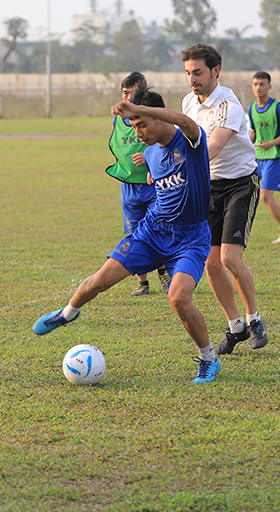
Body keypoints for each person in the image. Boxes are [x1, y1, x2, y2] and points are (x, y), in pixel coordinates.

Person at [33, 80, 221, 384]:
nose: (138, 133)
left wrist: (137, 107)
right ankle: (68, 313)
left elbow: (185, 121)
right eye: (133, 127)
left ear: (159, 118)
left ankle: (208, 359)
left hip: (190, 239)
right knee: (98, 281)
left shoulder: (189, 142)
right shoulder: (150, 154)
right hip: (152, 232)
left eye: (142, 125)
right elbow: (159, 180)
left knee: (179, 300)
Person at [181, 43, 268, 355]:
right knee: (211, 264)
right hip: (209, 187)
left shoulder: (228, 105)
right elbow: (181, 140)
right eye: (189, 72)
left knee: (230, 258)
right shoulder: (189, 102)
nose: (192, 78)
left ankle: (255, 319)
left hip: (240, 185)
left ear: (216, 71)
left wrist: (177, 167)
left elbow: (214, 146)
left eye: (199, 72)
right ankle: (236, 327)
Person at [106, 72, 171, 296]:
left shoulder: (155, 117)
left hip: (153, 184)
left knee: (156, 230)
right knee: (133, 233)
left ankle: (164, 273)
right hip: (129, 186)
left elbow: (166, 142)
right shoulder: (118, 121)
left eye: (131, 94)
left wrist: (149, 159)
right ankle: (142, 283)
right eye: (124, 94)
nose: (126, 98)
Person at [247, 71, 280, 244]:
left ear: (269, 86)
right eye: (255, 84)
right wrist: (245, 146)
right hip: (256, 159)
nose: (258, 87)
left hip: (274, 158)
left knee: (266, 197)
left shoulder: (277, 107)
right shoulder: (251, 108)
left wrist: (270, 144)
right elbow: (252, 132)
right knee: (244, 192)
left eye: (262, 84)